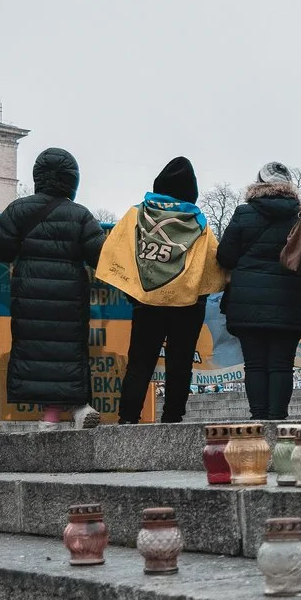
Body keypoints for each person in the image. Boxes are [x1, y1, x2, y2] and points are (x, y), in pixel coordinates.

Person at [0, 148, 109, 428]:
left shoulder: (18, 210)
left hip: (28, 296)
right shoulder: (80, 215)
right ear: (71, 180)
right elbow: (99, 256)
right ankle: (78, 408)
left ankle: (50, 417)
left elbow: (1, 251)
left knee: (38, 352)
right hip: (69, 297)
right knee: (69, 350)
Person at [100, 157, 222, 426]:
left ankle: (128, 418)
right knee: (180, 364)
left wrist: (133, 291)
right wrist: (198, 295)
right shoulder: (198, 222)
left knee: (140, 362)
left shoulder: (136, 214)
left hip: (147, 301)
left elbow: (116, 251)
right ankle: (172, 418)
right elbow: (212, 263)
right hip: (188, 305)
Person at [218, 162, 301, 419]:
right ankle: (278, 417)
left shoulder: (243, 213)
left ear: (258, 184)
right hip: (290, 300)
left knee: (255, 365)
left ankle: (258, 417)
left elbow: (225, 255)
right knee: (282, 366)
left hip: (248, 302)